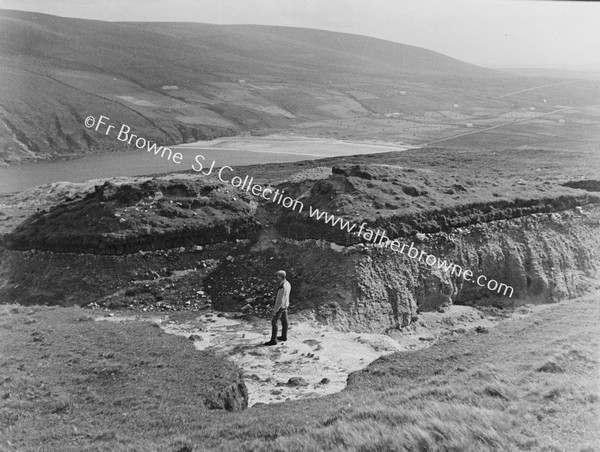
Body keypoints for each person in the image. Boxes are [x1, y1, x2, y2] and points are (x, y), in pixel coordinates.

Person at [264, 270, 291, 346]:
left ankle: (273, 340)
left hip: (281, 306)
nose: (276, 278)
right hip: (285, 305)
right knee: (285, 321)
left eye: (277, 276)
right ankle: (284, 336)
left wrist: (275, 311)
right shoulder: (287, 283)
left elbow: (279, 301)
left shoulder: (282, 287)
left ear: (280, 277)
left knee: (274, 321)